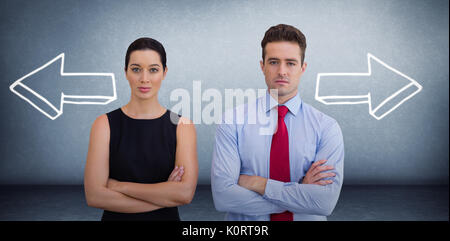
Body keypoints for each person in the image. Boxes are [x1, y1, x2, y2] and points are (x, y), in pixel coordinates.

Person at [211, 24, 344, 221]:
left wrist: (258, 184)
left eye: (290, 63)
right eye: (273, 62)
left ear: (303, 68)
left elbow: (324, 203)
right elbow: (224, 198)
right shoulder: (233, 122)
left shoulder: (326, 127)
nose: (282, 71)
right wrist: (301, 192)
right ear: (262, 66)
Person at [84, 37, 198, 221]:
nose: (144, 79)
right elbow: (95, 196)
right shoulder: (103, 124)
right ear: (126, 72)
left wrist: (120, 186)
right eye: (136, 69)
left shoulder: (182, 126)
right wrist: (164, 195)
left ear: (164, 72)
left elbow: (184, 193)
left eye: (153, 70)